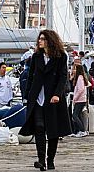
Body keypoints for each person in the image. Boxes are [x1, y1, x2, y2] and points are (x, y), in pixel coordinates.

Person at [19, 30, 71, 171]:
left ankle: (50, 160)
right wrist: (27, 95)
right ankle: (41, 160)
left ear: (50, 40)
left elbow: (62, 77)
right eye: (39, 39)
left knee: (53, 130)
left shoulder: (61, 57)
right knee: (39, 128)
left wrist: (57, 94)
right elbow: (31, 76)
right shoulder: (36, 56)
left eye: (43, 39)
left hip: (52, 98)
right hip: (37, 98)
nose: (40, 41)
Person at [72, 64, 89, 137]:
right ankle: (79, 130)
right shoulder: (81, 77)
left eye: (75, 69)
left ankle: (82, 130)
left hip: (80, 99)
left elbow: (80, 89)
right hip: (81, 99)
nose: (73, 71)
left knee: (75, 115)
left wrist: (75, 98)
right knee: (78, 115)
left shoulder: (80, 77)